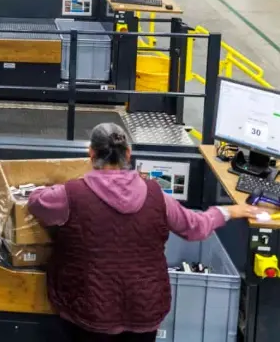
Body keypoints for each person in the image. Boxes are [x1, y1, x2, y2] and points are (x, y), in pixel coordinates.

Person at [28, 123, 260, 342]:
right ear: (128, 154)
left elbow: (36, 202)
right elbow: (195, 227)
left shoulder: (71, 194)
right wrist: (229, 211)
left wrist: (55, 185)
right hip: (145, 311)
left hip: (88, 312)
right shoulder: (156, 195)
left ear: (91, 154)